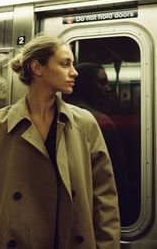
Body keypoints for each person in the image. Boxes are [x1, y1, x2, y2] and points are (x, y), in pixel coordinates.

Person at [0, 35, 120, 249]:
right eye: (65, 63)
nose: (74, 72)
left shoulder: (84, 124)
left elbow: (104, 198)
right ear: (37, 68)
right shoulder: (0, 125)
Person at [63, 62, 130, 225]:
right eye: (102, 82)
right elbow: (117, 178)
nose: (108, 89)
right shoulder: (100, 122)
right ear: (85, 86)